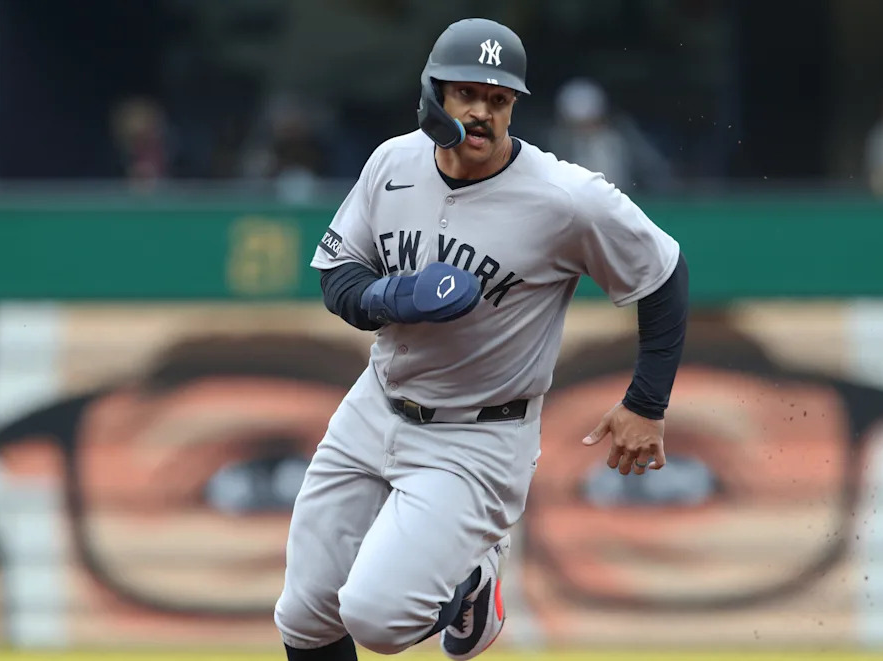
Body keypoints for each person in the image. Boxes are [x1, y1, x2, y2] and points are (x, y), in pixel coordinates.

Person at [274, 17, 690, 661]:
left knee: (376, 619)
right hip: (375, 403)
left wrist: (646, 402)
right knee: (306, 616)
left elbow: (663, 272)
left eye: (499, 99)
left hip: (476, 436)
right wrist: (388, 296)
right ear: (432, 96)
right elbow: (337, 272)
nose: (482, 112)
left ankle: (472, 583)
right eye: (466, 94)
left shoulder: (565, 199)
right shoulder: (393, 161)